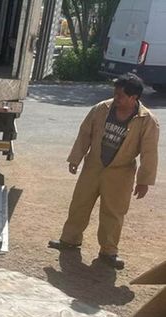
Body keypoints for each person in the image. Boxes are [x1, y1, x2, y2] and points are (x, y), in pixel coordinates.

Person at [49, 73, 160, 269]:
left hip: (121, 173)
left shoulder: (147, 120)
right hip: (93, 166)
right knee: (80, 204)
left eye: (120, 96)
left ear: (134, 98)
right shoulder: (102, 109)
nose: (116, 99)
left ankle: (108, 251)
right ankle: (69, 240)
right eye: (115, 94)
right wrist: (75, 158)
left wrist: (144, 181)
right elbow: (85, 133)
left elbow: (149, 152)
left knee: (114, 212)